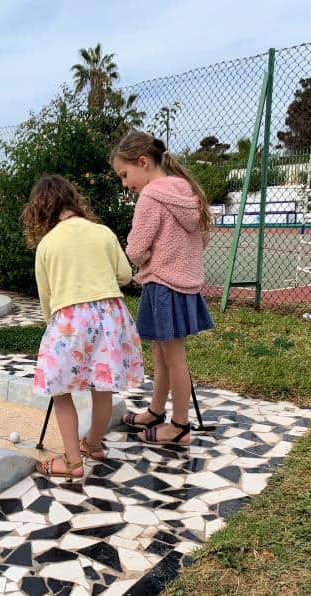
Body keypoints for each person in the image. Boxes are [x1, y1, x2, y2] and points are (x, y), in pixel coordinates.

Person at [22, 174, 144, 480]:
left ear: (41, 209)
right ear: (74, 200)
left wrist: (53, 327)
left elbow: (46, 299)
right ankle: (93, 444)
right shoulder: (102, 233)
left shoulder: (47, 245)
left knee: (60, 391)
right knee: (101, 386)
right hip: (109, 316)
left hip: (69, 321)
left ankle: (73, 462)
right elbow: (125, 276)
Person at [111, 130, 214, 447]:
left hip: (163, 285)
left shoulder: (152, 197)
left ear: (143, 162)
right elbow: (201, 239)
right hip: (183, 285)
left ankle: (179, 426)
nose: (125, 183)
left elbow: (136, 250)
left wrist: (142, 253)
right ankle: (156, 411)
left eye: (125, 174)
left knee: (173, 357)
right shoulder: (186, 191)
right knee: (162, 352)